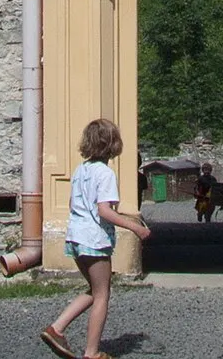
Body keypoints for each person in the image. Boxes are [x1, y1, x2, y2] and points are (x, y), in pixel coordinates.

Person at [43, 118, 151, 359]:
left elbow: (75, 204)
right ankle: (91, 352)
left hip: (76, 237)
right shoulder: (106, 174)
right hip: (94, 239)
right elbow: (104, 210)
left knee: (94, 289)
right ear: (113, 144)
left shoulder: (81, 170)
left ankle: (56, 328)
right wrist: (136, 228)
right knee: (103, 294)